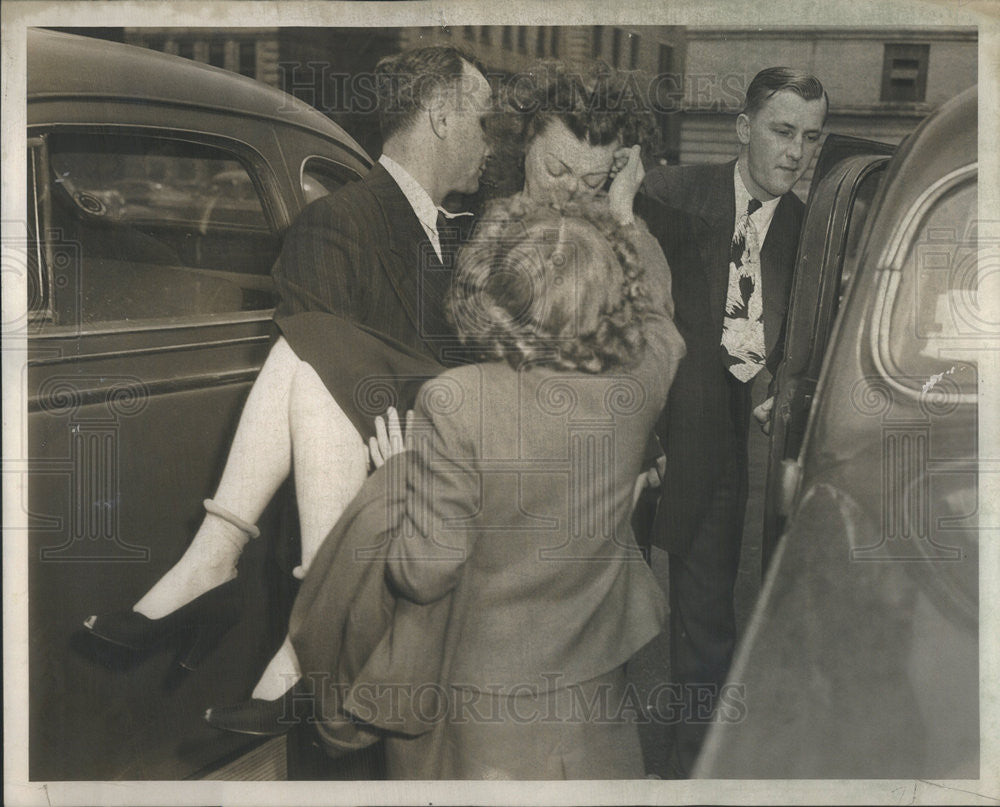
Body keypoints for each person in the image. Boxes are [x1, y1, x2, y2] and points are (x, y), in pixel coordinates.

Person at [83, 55, 660, 735]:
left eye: (591, 179)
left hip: (523, 488)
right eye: (555, 170)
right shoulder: (477, 221)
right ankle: (272, 614)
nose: (568, 192)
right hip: (455, 466)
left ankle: (231, 577)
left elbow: (635, 369)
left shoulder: (606, 238)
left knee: (305, 342)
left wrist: (621, 219)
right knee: (304, 346)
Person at [83, 43, 493, 718]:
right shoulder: (338, 220)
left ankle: (217, 564)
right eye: (482, 120)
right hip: (392, 518)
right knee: (309, 346)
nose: (488, 140)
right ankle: (298, 629)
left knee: (306, 344)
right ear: (443, 117)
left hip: (443, 500)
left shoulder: (464, 233)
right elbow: (330, 402)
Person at [291, 198, 685, 779]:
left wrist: (401, 473)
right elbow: (661, 323)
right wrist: (624, 216)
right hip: (597, 700)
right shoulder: (638, 384)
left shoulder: (458, 400)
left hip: (484, 718)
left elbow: (423, 571)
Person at [637, 66, 828, 775]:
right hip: (658, 443)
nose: (796, 152)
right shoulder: (668, 199)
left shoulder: (816, 236)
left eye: (811, 138)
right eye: (782, 131)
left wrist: (796, 387)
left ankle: (698, 771)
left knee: (715, 629)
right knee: (647, 632)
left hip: (749, 460)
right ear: (744, 128)